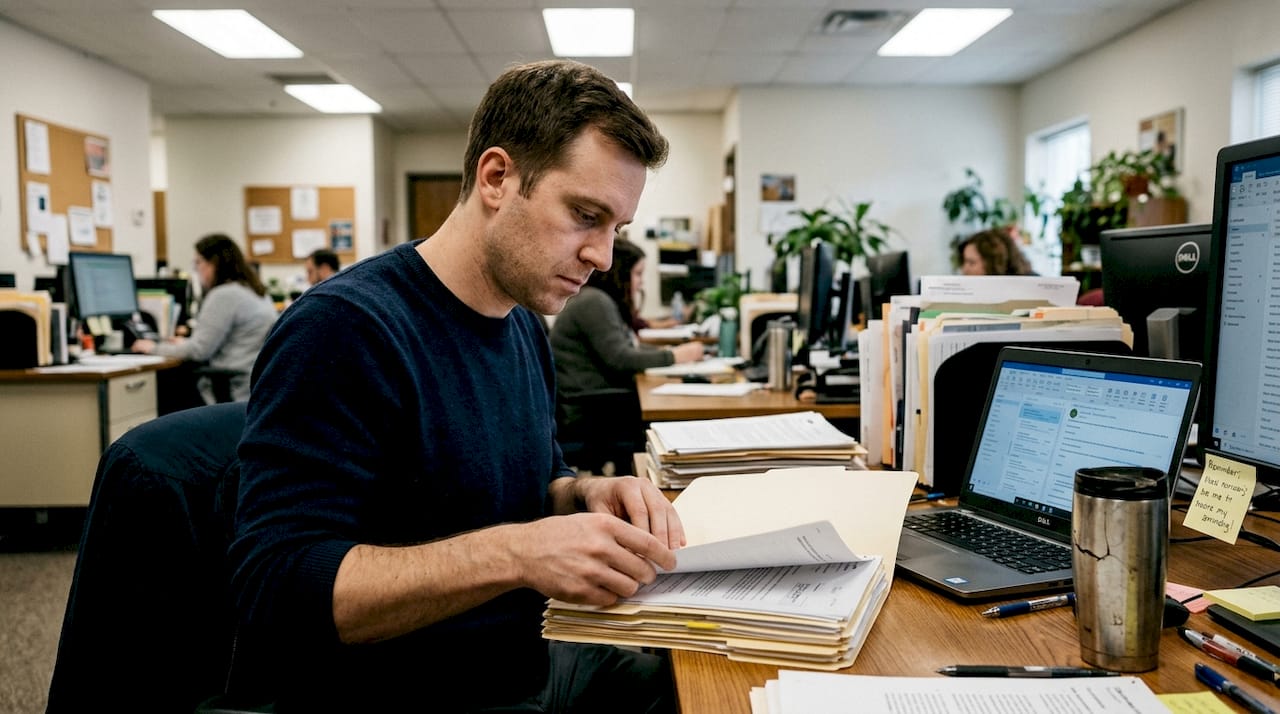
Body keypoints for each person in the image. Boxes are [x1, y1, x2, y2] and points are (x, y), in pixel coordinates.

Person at [229, 60, 684, 712]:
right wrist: (517, 553)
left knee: (706, 688)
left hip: (521, 658)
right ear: (497, 178)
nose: (603, 256)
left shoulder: (522, 323)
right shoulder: (345, 331)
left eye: (616, 229)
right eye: (586, 215)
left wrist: (589, 492)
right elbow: (275, 589)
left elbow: (538, 481)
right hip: (413, 693)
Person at [551, 239, 703, 426]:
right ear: (620, 273)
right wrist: (674, 356)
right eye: (638, 274)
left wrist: (669, 352)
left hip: (598, 399)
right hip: (590, 408)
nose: (640, 283)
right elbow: (621, 358)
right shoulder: (594, 302)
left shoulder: (600, 299)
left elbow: (629, 346)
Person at [131, 233, 277, 404]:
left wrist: (153, 348)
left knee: (166, 388)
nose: (197, 269)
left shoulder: (224, 295)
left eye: (198, 262)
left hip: (230, 387)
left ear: (213, 263)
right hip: (253, 384)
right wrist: (185, 344)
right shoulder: (257, 291)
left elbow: (199, 351)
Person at [958, 228, 1035, 276]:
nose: (964, 270)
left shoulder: (1033, 288)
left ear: (992, 263)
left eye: (971, 263)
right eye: (964, 262)